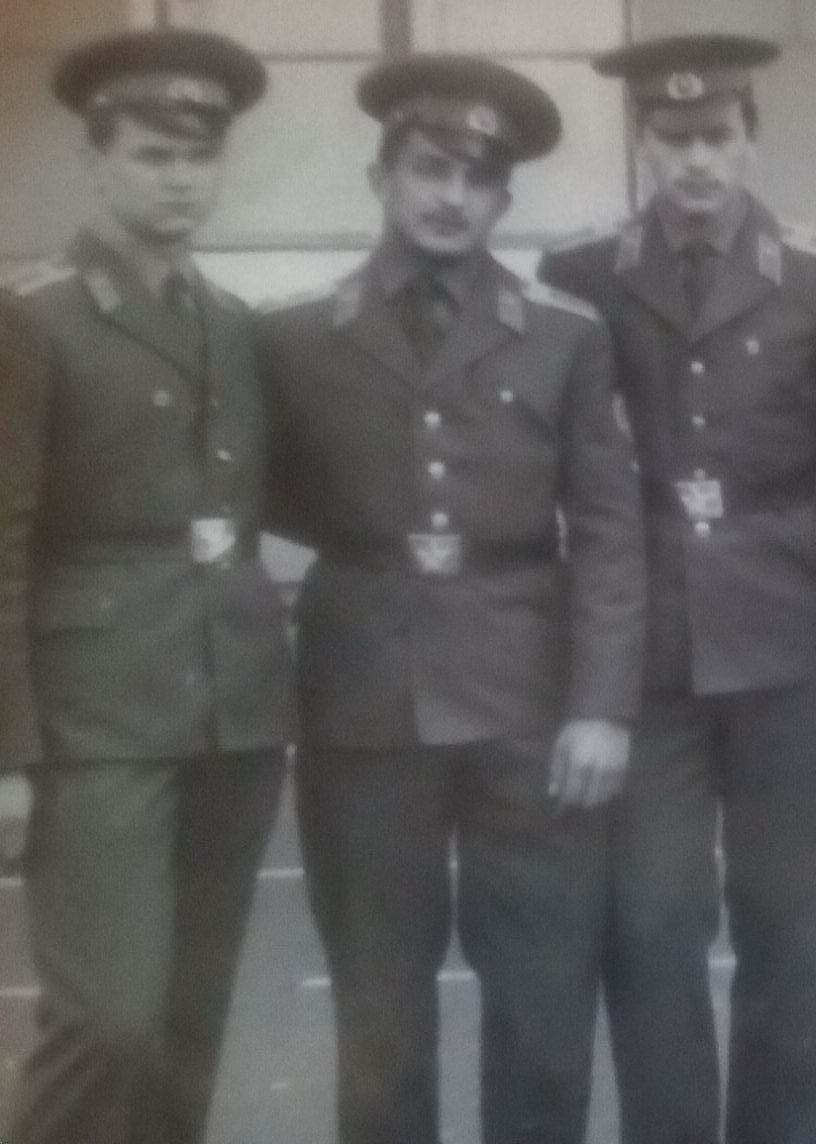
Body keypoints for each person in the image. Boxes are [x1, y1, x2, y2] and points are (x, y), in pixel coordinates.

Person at [255, 55, 645, 1144]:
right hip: (362, 700)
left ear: (503, 202)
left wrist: (602, 706)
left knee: (544, 993)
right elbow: (271, 493)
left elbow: (609, 529)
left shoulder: (565, 333)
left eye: (477, 180)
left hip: (528, 699)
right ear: (380, 178)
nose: (450, 198)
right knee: (379, 1001)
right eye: (429, 170)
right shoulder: (292, 336)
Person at [538, 33, 816, 1144]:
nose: (695, 160)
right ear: (642, 144)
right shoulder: (581, 275)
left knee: (785, 927)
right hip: (646, 649)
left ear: (751, 140)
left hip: (786, 640)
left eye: (716, 136)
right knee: (652, 925)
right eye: (674, 138)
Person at [0, 28, 292, 1144]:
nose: (179, 180)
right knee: (107, 1022)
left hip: (230, 714)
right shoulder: (32, 318)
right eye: (152, 155)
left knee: (187, 1019)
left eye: (198, 157)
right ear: (94, 160)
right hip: (97, 722)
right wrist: (7, 755)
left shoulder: (230, 322)